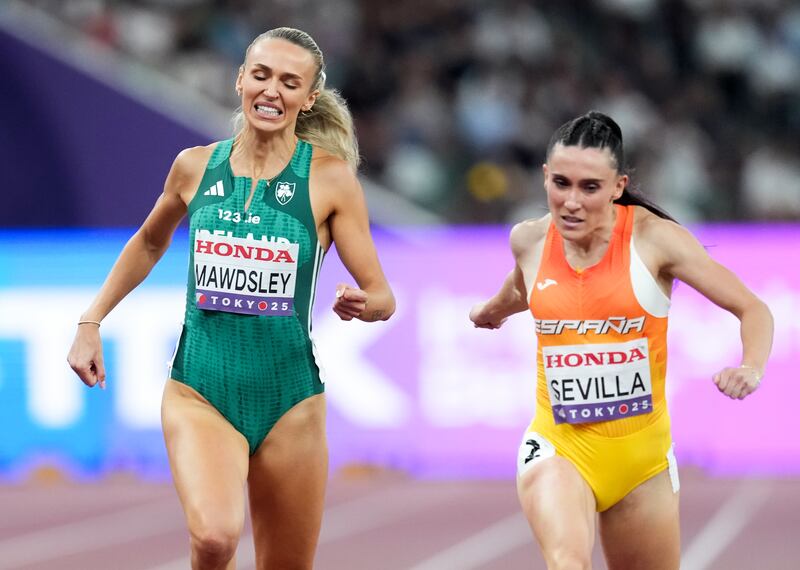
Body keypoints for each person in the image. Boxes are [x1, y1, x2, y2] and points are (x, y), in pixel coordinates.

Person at [67, 27, 395, 570]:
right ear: (240, 79)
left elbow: (383, 295)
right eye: (261, 76)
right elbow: (149, 242)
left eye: (289, 82)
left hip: (291, 403)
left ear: (308, 98)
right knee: (215, 538)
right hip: (201, 390)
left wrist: (366, 303)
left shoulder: (330, 180)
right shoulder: (195, 166)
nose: (272, 91)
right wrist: (91, 320)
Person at [469, 111, 773, 569]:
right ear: (545, 176)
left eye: (589, 187)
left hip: (642, 463)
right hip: (559, 447)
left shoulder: (655, 241)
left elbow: (753, 308)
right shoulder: (529, 240)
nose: (571, 202)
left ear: (617, 186)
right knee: (568, 563)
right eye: (561, 184)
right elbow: (521, 290)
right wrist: (489, 311)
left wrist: (751, 367)